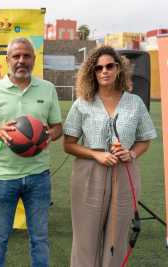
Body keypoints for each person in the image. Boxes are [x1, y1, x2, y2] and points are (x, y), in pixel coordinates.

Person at [63, 46, 157, 267]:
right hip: (88, 174)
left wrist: (131, 152)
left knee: (117, 236)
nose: (104, 71)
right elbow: (68, 145)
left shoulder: (135, 103)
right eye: (98, 68)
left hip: (125, 172)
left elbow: (145, 139)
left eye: (109, 66)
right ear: (92, 73)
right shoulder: (82, 103)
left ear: (119, 69)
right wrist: (96, 155)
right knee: (85, 236)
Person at [0, 37, 63, 267]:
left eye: (26, 56)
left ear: (34, 59)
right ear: (7, 60)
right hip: (3, 176)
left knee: (40, 238)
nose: (21, 61)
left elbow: (58, 127)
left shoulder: (48, 88)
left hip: (39, 176)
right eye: (16, 56)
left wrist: (47, 136)